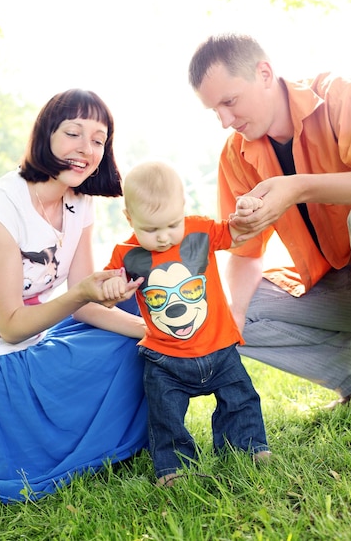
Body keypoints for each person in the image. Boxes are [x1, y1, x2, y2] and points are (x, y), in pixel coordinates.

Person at [0, 89, 149, 504]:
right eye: (73, 134)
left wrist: (148, 331)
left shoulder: (79, 201)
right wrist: (82, 292)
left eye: (98, 140)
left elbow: (88, 304)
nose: (86, 149)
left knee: (141, 315)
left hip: (36, 338)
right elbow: (11, 326)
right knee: (118, 353)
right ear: (46, 134)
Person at [188, 32, 351, 408]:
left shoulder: (340, 95)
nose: (225, 121)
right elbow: (244, 252)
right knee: (223, 311)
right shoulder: (236, 155)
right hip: (342, 289)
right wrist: (234, 320)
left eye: (230, 101)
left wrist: (298, 188)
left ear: (264, 73)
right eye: (215, 111)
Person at [102, 161, 270, 487]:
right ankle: (174, 467)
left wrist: (248, 210)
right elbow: (108, 291)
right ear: (129, 218)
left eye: (171, 224)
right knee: (165, 415)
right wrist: (111, 288)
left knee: (241, 398)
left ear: (183, 209)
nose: (164, 237)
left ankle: (248, 448)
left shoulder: (200, 232)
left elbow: (238, 234)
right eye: (150, 230)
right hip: (165, 359)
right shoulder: (126, 255)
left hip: (219, 348)